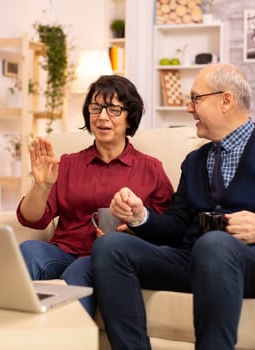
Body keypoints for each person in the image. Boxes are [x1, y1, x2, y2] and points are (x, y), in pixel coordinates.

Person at [92, 63, 255, 349]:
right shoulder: (194, 161)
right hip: (192, 260)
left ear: (225, 100)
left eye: (196, 99)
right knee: (110, 246)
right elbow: (176, 226)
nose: (189, 109)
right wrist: (140, 216)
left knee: (215, 244)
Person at [16, 75, 174, 317]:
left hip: (111, 257)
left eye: (113, 109)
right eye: (96, 108)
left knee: (79, 271)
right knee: (28, 251)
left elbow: (167, 231)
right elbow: (32, 219)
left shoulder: (151, 169)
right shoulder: (67, 164)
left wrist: (132, 232)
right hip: (64, 251)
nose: (102, 117)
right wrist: (40, 185)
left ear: (129, 116)